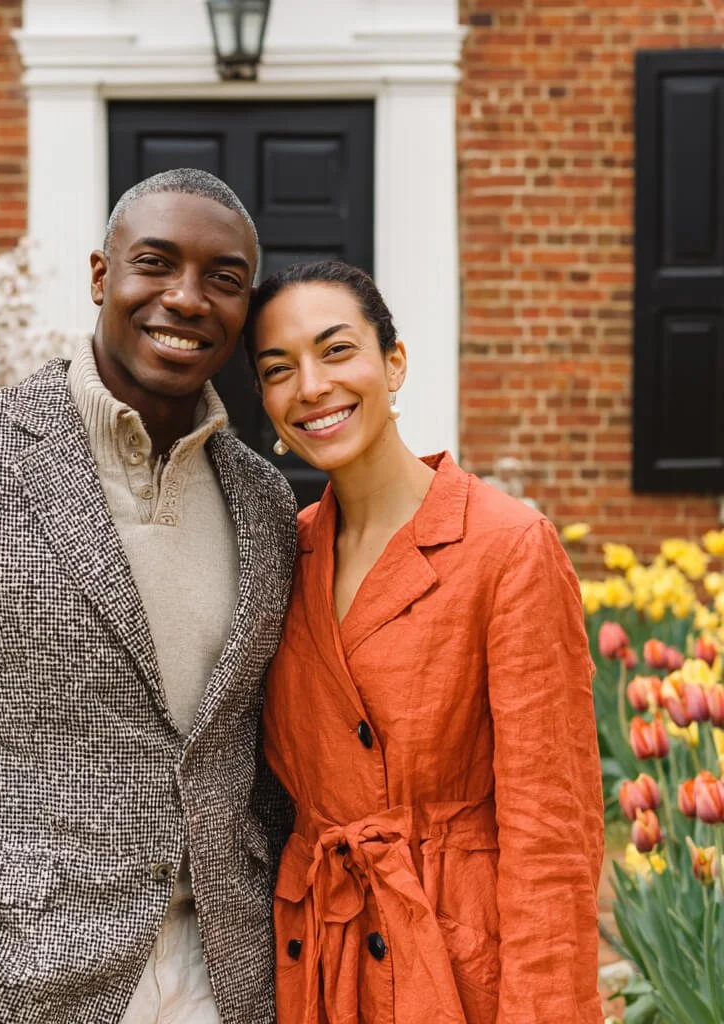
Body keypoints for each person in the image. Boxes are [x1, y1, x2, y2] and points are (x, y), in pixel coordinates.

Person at [0, 169, 297, 1024]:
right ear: (102, 276)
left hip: (231, 978)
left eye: (223, 279)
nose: (187, 298)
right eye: (156, 263)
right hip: (7, 982)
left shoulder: (264, 500)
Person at [245, 260, 604, 1024]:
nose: (311, 386)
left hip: (457, 964)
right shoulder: (284, 552)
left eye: (337, 351)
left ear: (394, 361)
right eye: (280, 370)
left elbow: (552, 833)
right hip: (318, 959)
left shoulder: (507, 546)